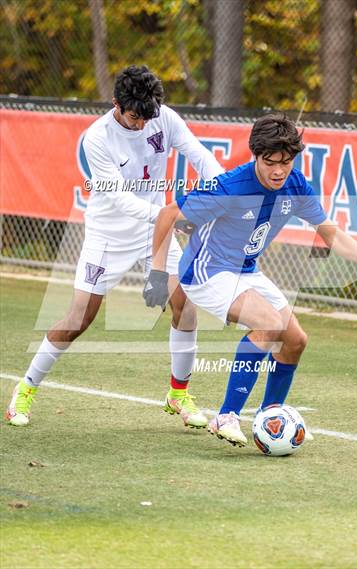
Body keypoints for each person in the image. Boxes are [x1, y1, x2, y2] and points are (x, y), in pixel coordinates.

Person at [144, 113, 357, 447]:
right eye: (270, 162)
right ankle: (226, 415)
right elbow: (169, 215)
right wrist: (158, 273)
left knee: (296, 339)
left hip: (245, 270)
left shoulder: (296, 185)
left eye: (286, 162)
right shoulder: (230, 187)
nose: (278, 171)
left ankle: (270, 413)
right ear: (256, 155)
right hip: (206, 271)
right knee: (269, 324)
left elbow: (331, 234)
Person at [6, 64, 224, 428]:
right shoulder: (96, 138)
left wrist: (220, 191)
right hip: (109, 235)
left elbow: (200, 156)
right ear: (116, 104)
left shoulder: (163, 118)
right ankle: (26, 387)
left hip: (153, 229)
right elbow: (121, 200)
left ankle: (178, 394)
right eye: (135, 117)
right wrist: (172, 217)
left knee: (184, 306)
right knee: (79, 320)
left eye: (148, 117)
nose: (142, 125)